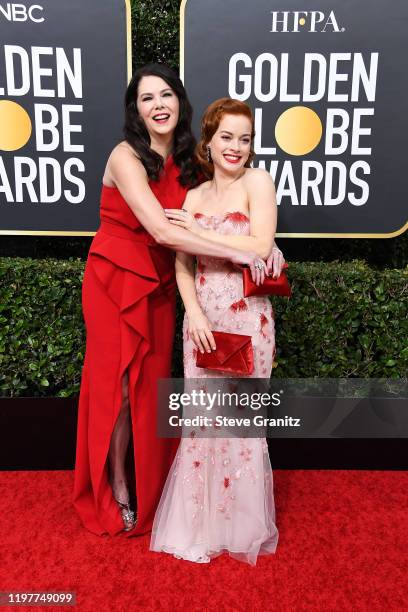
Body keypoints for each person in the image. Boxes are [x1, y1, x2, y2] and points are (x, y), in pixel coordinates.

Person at [73, 64, 285, 538]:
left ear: (180, 103)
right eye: (147, 99)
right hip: (115, 279)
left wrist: (256, 247)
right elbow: (165, 231)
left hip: (161, 282)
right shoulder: (125, 156)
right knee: (119, 391)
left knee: (150, 388)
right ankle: (119, 486)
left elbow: (212, 215)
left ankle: (161, 488)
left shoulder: (191, 161)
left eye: (166, 95)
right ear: (136, 110)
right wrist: (247, 251)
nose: (158, 105)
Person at [150, 98, 279, 564]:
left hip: (248, 318)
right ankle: (202, 523)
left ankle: (241, 525)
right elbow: (182, 266)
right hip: (203, 319)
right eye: (227, 136)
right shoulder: (194, 197)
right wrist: (195, 315)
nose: (236, 147)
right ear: (209, 140)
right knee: (203, 423)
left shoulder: (258, 182)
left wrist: (199, 236)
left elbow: (260, 246)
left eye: (245, 139)